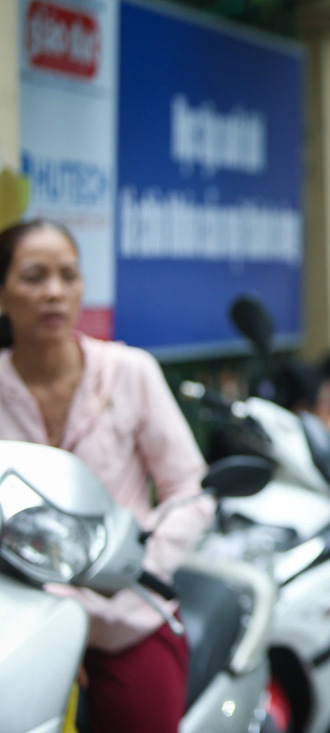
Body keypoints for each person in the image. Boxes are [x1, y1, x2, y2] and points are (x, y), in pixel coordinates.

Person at [0, 218, 213, 731]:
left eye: (68, 276)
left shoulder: (129, 371)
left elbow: (192, 490)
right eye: (34, 277)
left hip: (126, 623)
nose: (54, 292)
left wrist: (139, 565)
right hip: (20, 630)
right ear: (3, 294)